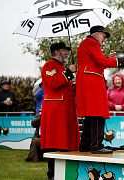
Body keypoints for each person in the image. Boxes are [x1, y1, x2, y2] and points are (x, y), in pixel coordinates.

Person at [76, 26, 124, 154]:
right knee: (97, 113)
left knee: (91, 115)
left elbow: (97, 62)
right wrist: (123, 60)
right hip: (91, 82)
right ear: (97, 34)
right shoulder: (92, 42)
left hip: (88, 80)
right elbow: (102, 62)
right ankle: (96, 145)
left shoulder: (88, 44)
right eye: (103, 35)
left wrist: (107, 58)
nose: (104, 39)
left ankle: (86, 144)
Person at [40, 42, 80, 179]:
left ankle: (63, 173)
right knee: (54, 142)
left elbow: (68, 87)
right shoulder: (49, 65)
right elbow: (54, 83)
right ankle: (52, 174)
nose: (67, 53)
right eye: (64, 50)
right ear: (56, 52)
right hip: (55, 110)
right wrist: (69, 72)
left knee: (65, 142)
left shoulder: (62, 67)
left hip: (66, 109)